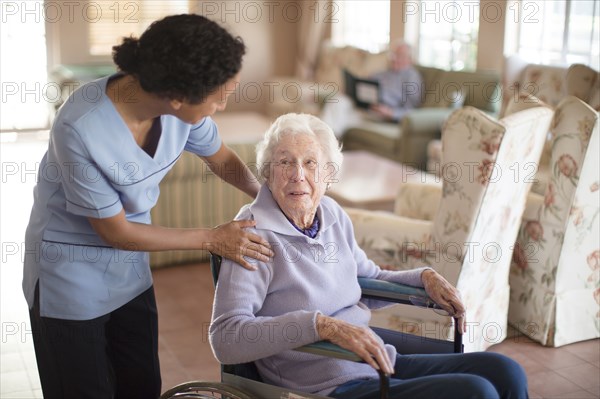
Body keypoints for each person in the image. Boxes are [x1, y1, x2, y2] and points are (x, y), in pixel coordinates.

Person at [23, 14, 273, 399]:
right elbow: (114, 231)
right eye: (219, 96)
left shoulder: (181, 111)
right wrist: (212, 238)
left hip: (130, 269)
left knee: (140, 386)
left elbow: (222, 159)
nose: (223, 104)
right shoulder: (81, 127)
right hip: (70, 275)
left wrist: (269, 198)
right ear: (177, 97)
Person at [209, 113, 528, 398]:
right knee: (477, 392)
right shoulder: (251, 235)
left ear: (329, 174)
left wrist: (424, 278)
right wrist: (322, 326)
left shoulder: (331, 214)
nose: (298, 175)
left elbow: (366, 280)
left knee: (505, 371)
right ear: (267, 171)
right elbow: (226, 337)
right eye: (284, 162)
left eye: (310, 163)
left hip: (373, 359)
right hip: (325, 385)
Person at [320, 41, 424, 137]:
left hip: (382, 115)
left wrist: (390, 113)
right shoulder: (384, 73)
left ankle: (323, 143)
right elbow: (364, 83)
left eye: (400, 55)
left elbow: (412, 110)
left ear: (410, 59)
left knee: (340, 119)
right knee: (338, 101)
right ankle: (323, 140)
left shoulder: (412, 77)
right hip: (364, 107)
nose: (395, 58)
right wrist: (351, 89)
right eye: (394, 54)